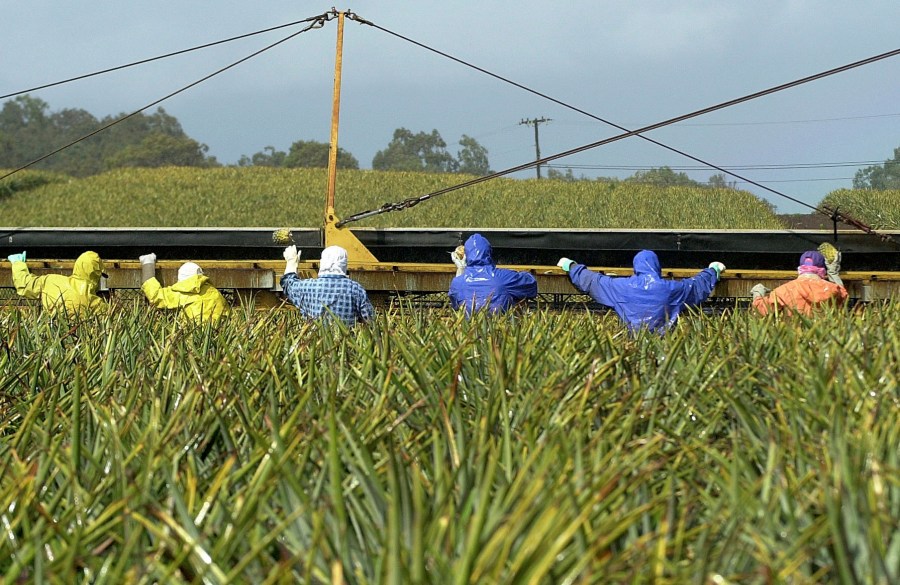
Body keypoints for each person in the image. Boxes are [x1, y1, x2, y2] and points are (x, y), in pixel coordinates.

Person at [556, 249, 724, 333]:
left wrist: (571, 267)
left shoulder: (621, 287)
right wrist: (713, 271)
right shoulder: (673, 289)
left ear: (636, 267)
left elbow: (593, 281)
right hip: (665, 343)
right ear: (658, 266)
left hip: (634, 341)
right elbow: (696, 285)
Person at [280, 245, 374, 327]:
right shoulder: (356, 289)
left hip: (315, 344)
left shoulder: (308, 287)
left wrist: (292, 261)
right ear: (344, 264)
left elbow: (288, 283)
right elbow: (370, 320)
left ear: (322, 262)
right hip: (346, 344)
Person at [448, 233, 538, 315]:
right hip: (502, 326)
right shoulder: (503, 277)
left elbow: (456, 305)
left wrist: (461, 270)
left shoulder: (457, 282)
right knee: (519, 297)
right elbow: (531, 285)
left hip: (469, 329)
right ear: (489, 252)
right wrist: (514, 273)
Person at [7, 250, 109, 317]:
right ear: (97, 275)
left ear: (77, 266)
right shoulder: (99, 305)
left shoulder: (51, 282)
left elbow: (25, 285)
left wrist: (18, 263)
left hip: (52, 339)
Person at [750, 250, 848, 316]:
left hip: (794, 343)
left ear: (800, 269)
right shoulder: (833, 289)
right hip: (825, 343)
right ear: (822, 270)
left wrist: (758, 294)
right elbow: (843, 296)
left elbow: (760, 311)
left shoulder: (783, 291)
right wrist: (833, 273)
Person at [138, 253, 230, 323]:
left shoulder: (181, 293)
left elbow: (155, 295)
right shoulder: (214, 293)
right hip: (218, 336)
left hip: (192, 338)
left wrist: (148, 263)